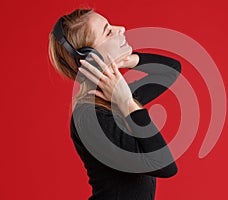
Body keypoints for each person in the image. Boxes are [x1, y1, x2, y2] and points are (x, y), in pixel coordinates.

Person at [48, 8, 181, 200]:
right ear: (90, 56)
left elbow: (170, 70)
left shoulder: (111, 96)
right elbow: (165, 165)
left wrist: (128, 60)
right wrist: (127, 102)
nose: (121, 29)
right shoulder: (90, 117)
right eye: (108, 31)